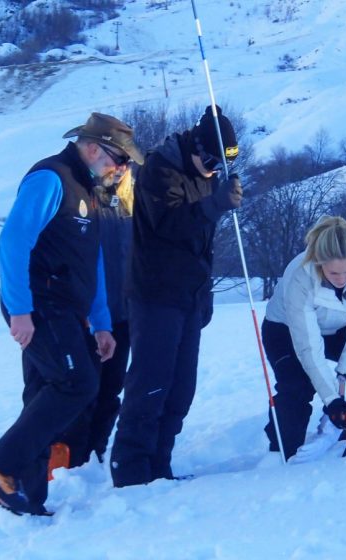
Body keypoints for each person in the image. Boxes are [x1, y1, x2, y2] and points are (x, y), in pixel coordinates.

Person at [0, 113, 144, 515]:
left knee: (41, 392)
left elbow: (94, 264)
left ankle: (28, 493)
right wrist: (19, 310)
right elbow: (12, 243)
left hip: (67, 307)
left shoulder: (90, 190)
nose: (122, 169)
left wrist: (102, 323)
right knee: (77, 384)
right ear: (92, 147)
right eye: (119, 160)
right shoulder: (52, 178)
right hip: (39, 303)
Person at [109, 105, 243, 487]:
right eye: (212, 160)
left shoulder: (207, 177)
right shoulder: (159, 171)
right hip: (154, 295)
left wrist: (204, 296)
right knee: (151, 382)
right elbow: (171, 226)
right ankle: (131, 469)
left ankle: (159, 464)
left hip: (188, 296)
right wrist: (215, 204)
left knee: (182, 388)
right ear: (197, 146)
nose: (216, 170)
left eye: (223, 165)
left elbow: (201, 244)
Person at [262, 216, 346, 461]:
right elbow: (309, 347)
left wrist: (344, 376)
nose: (342, 278)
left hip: (340, 325)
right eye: (333, 272)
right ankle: (281, 452)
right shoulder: (300, 275)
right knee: (297, 384)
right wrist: (332, 400)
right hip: (285, 329)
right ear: (318, 261)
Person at [54, 169, 135, 470]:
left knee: (111, 390)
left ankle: (95, 454)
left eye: (127, 163)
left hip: (122, 316)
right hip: (85, 316)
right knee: (81, 391)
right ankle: (68, 460)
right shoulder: (82, 199)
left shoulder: (130, 203)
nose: (121, 169)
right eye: (117, 160)